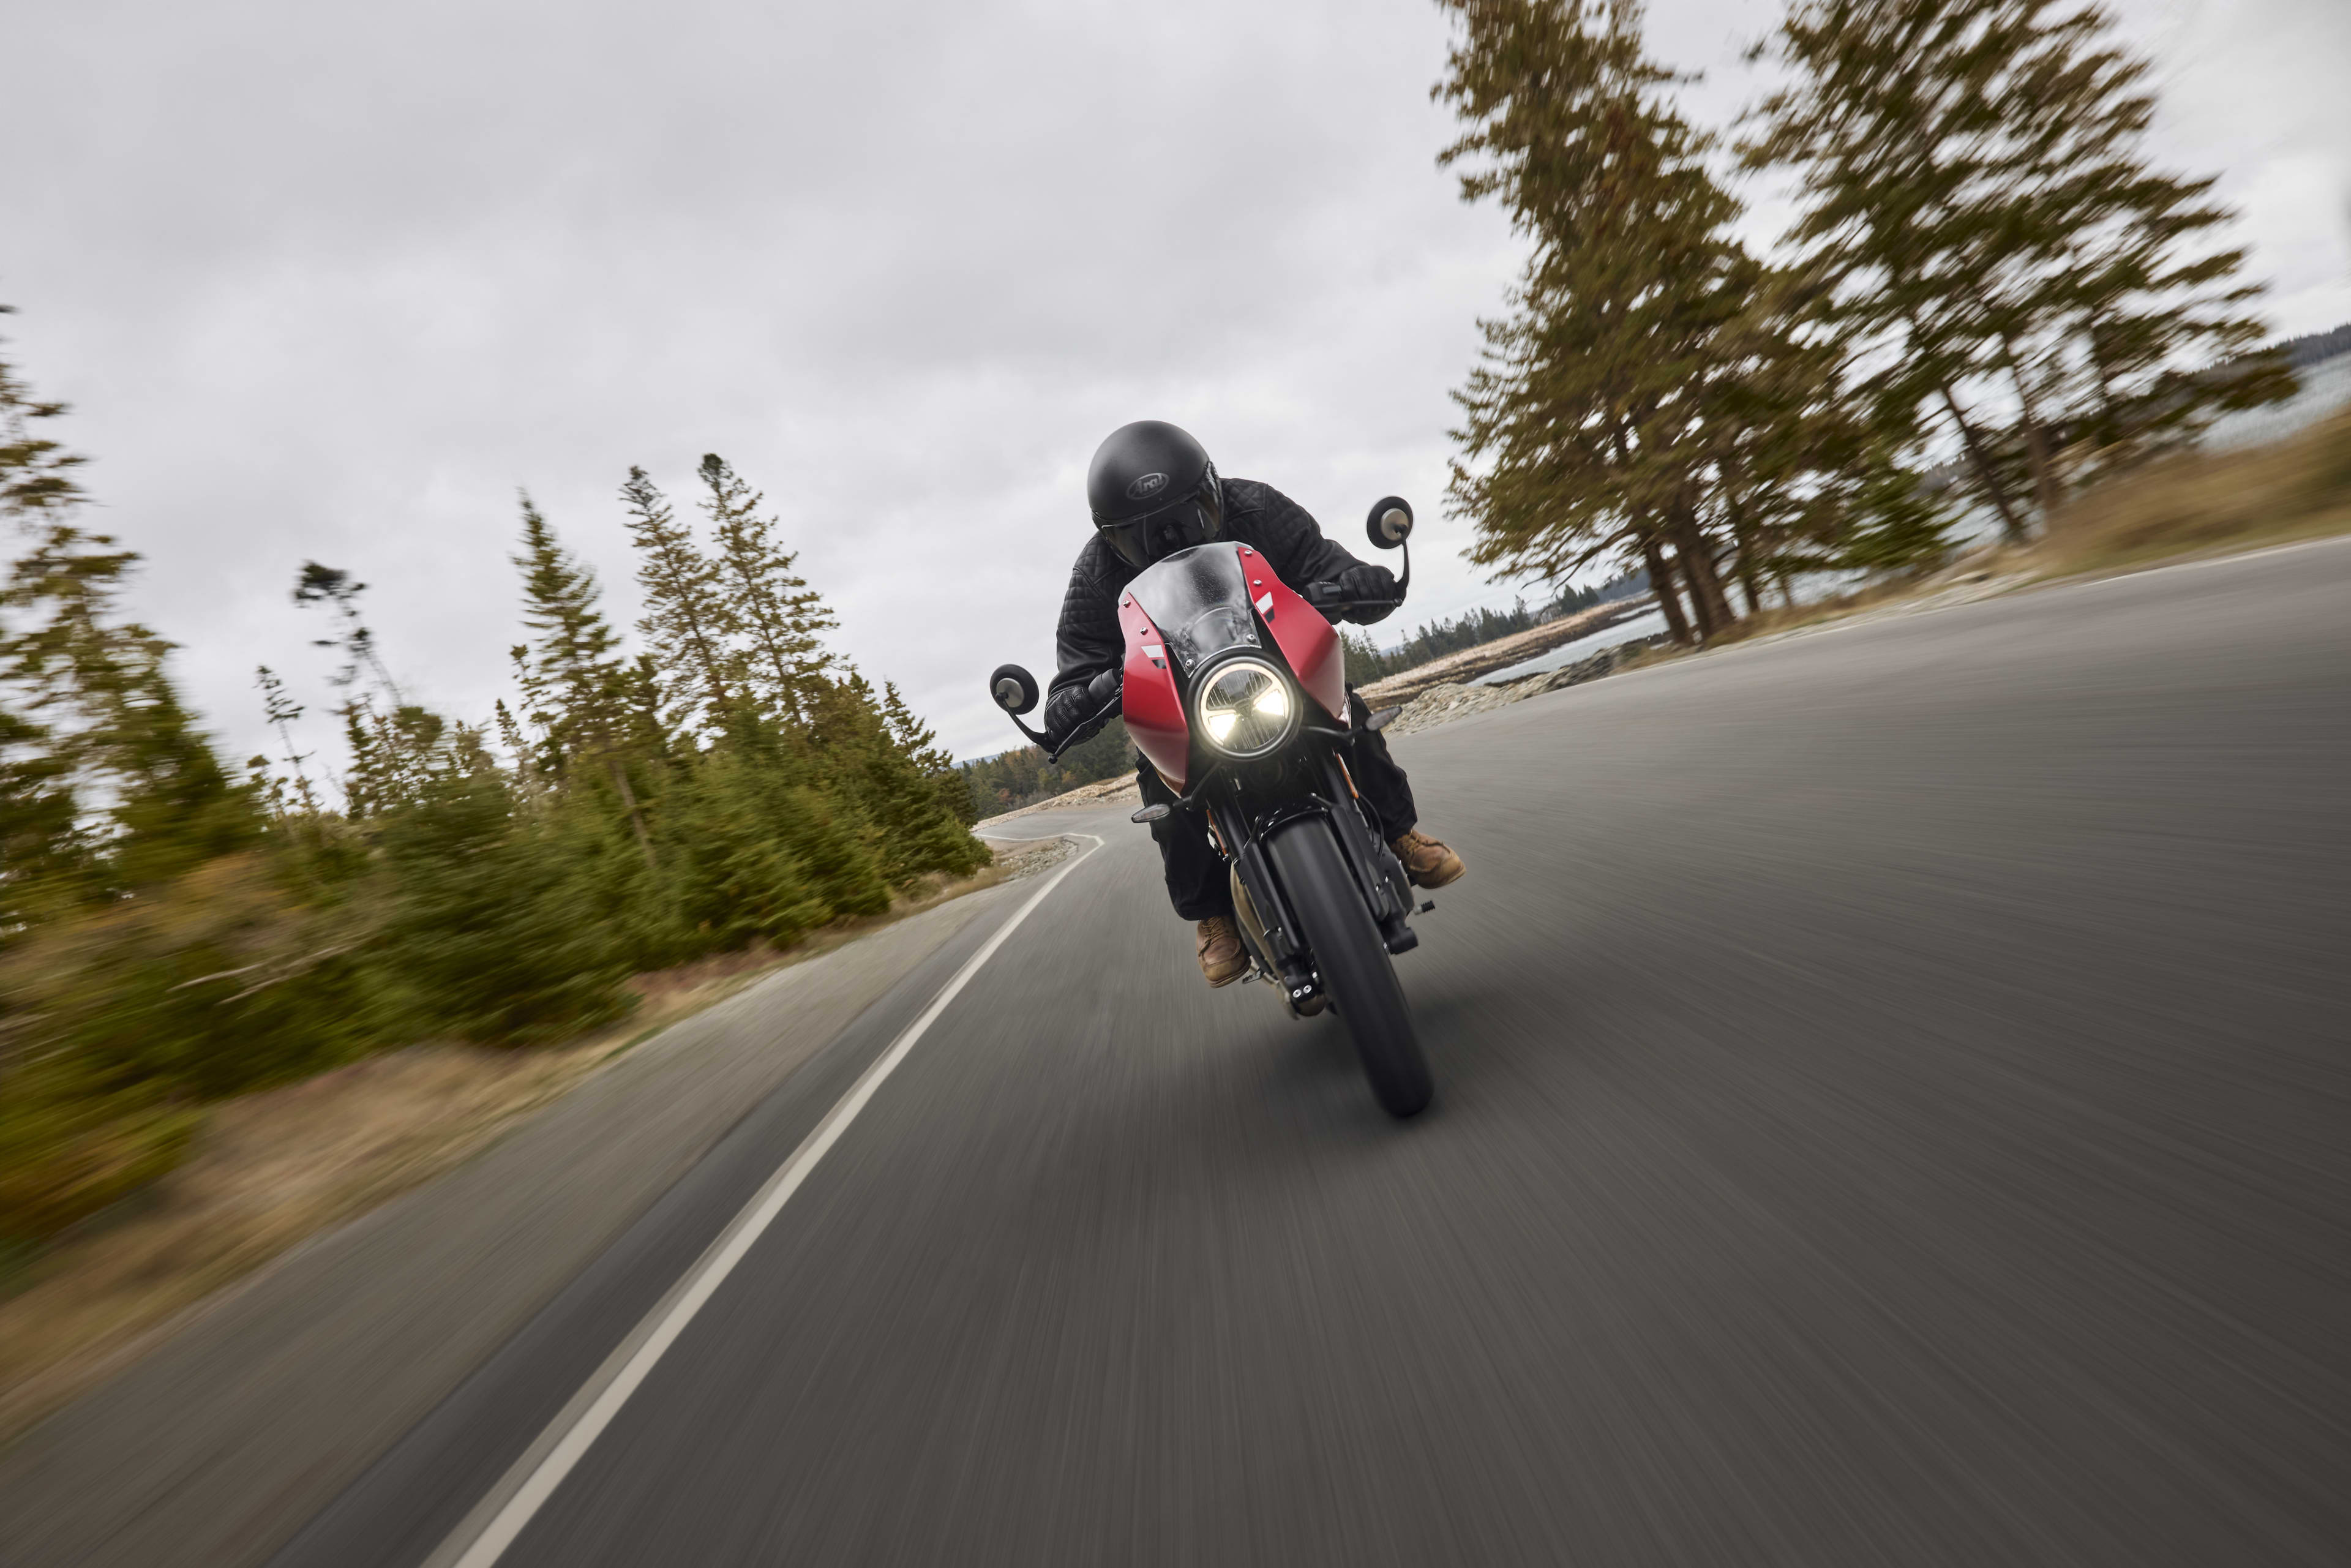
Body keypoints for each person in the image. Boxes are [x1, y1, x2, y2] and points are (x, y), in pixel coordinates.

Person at [1044, 420, 1464, 986]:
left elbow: (1322, 562)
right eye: (1141, 536)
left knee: (1349, 713)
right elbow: (1073, 674)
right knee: (1160, 780)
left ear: (1211, 493)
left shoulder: (1258, 509)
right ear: (1113, 538)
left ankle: (1399, 833)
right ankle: (1215, 915)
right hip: (1184, 701)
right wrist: (1084, 695)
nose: (1170, 539)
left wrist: (1356, 582)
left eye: (1185, 516)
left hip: (1272, 670)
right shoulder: (1096, 574)